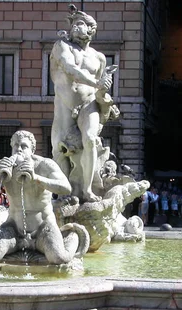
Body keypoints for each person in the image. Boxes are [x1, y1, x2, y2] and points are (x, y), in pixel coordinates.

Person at [0, 130, 75, 264]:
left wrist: (36, 178)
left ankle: (72, 237)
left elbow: (66, 187)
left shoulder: (44, 164)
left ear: (32, 150)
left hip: (43, 226)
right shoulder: (3, 165)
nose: (19, 149)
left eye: (24, 146)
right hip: (13, 228)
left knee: (58, 257)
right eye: (15, 146)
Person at [50, 6, 117, 202]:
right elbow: (70, 68)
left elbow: (99, 89)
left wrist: (104, 92)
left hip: (89, 103)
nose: (74, 28)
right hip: (64, 104)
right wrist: (97, 82)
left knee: (89, 139)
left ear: (91, 29)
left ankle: (87, 190)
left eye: (80, 24)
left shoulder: (99, 58)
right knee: (59, 150)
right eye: (74, 24)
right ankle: (64, 194)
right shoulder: (61, 46)